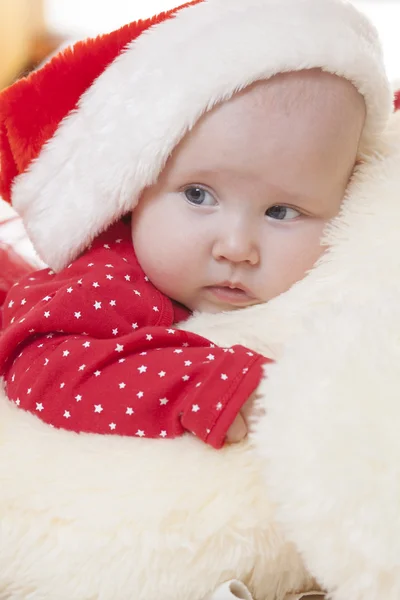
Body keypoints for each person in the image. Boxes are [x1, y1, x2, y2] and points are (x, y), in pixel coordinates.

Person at [0, 0, 391, 449]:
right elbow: (41, 369)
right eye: (198, 195)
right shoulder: (106, 279)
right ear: (134, 188)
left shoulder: (358, 250)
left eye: (281, 212)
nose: (236, 247)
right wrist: (202, 384)